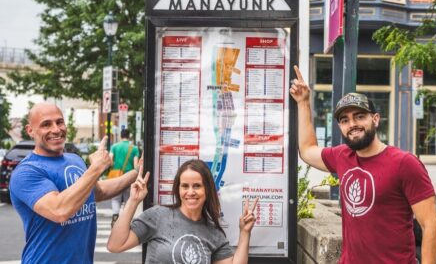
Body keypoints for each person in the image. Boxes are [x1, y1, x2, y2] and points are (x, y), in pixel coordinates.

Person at [289, 66, 436, 264]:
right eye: (345, 120)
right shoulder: (342, 156)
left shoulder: (404, 163)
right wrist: (303, 102)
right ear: (340, 127)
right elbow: (307, 150)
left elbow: (431, 225)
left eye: (359, 116)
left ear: (375, 119)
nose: (352, 124)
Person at [9, 103, 141, 264]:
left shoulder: (75, 160)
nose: (56, 129)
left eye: (59, 122)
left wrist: (136, 173)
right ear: (30, 130)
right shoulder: (26, 172)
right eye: (46, 124)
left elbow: (97, 192)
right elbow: (59, 210)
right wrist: (96, 168)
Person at [107, 159, 258, 264]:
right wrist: (133, 201)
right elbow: (115, 245)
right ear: (178, 190)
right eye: (185, 186)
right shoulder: (158, 215)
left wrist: (245, 232)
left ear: (207, 189)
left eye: (197, 186)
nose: (190, 192)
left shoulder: (213, 233)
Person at [109, 128, 140, 226]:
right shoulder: (134, 148)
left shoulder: (114, 146)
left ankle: (115, 216)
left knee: (115, 198)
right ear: (129, 136)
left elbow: (110, 161)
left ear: (121, 136)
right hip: (129, 178)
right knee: (128, 198)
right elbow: (136, 165)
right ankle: (125, 221)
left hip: (116, 177)